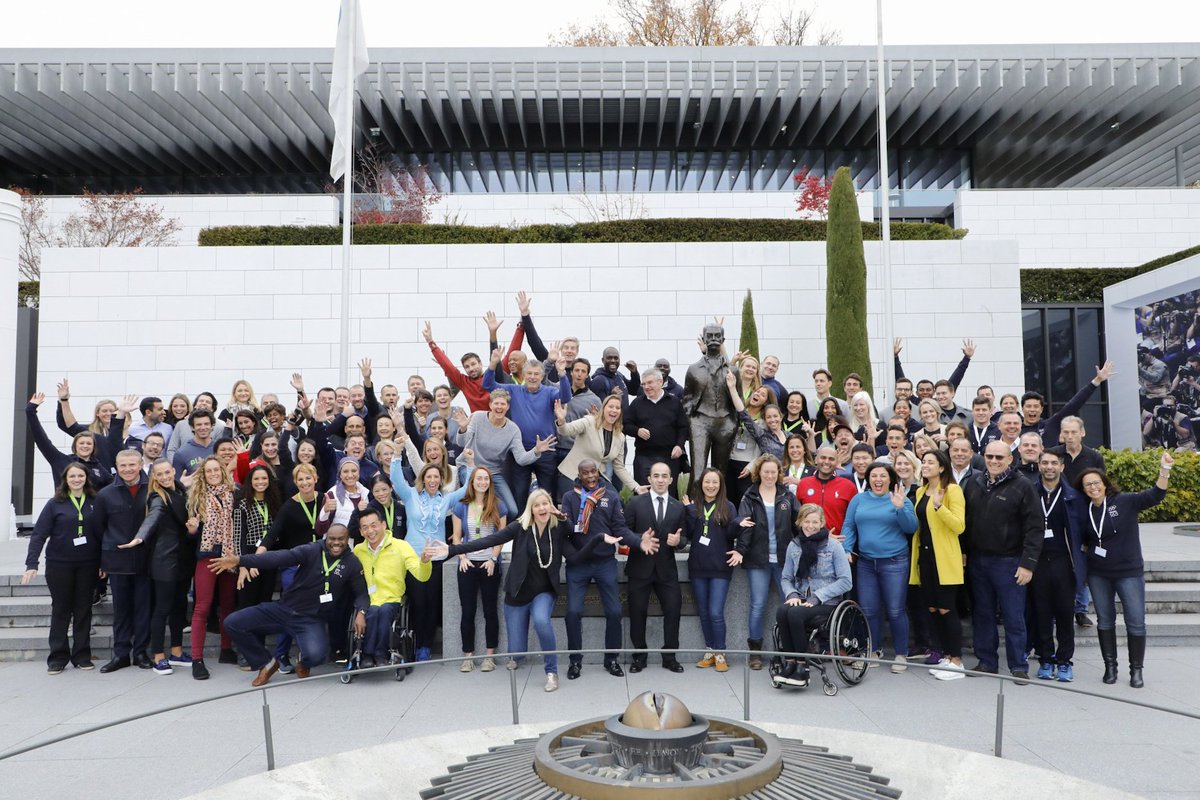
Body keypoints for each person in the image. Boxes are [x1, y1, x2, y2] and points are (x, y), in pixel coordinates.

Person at [431, 489, 572, 693]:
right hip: (517, 593)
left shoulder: (556, 528)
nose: (542, 508)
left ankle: (551, 672)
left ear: (551, 506)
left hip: (544, 591)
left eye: (545, 503)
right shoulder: (520, 527)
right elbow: (491, 540)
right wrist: (453, 549)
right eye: (537, 504)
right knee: (515, 651)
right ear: (531, 509)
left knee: (542, 620)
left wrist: (563, 517)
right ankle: (517, 656)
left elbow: (572, 531)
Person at [214, 524, 371, 686]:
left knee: (318, 655)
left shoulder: (352, 563)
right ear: (326, 538)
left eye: (341, 539)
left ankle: (304, 662)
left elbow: (361, 593)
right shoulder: (312, 550)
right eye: (332, 539)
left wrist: (362, 612)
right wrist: (241, 560)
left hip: (311, 619)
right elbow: (278, 557)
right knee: (232, 623)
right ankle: (266, 663)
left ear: (348, 540)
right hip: (284, 610)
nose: (336, 543)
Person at [1078, 453, 1173, 688]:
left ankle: (1136, 670)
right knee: (1105, 621)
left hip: (1128, 572)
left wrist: (1164, 469)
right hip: (1098, 573)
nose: (1092, 487)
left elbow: (1156, 495)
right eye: (1087, 484)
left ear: (1105, 483)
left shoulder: (1125, 501)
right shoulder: (1084, 510)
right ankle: (1110, 667)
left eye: (1096, 483)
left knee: (1136, 621)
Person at [962, 441, 1043, 681]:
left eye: (999, 457)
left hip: (1010, 562)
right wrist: (965, 551)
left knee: (1013, 616)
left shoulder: (1023, 486)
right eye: (989, 456)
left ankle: (1018, 665)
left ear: (1010, 459)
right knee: (983, 614)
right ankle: (986, 661)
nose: (994, 461)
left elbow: (1035, 528)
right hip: (979, 561)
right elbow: (967, 521)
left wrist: (1027, 564)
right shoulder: (975, 483)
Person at [559, 460, 636, 679]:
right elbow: (567, 531)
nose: (591, 476)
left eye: (594, 471)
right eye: (586, 473)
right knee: (573, 612)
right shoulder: (569, 497)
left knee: (614, 612)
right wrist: (563, 520)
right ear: (579, 474)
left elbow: (620, 527)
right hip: (578, 564)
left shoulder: (611, 496)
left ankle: (611, 659)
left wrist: (637, 541)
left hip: (605, 563)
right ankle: (575, 662)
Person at [23, 464, 103, 674]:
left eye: (80, 475)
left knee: (83, 609)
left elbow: (102, 534)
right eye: (72, 476)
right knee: (61, 610)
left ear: (86, 478)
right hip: (60, 565)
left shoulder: (95, 502)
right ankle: (57, 658)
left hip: (88, 564)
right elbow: (39, 534)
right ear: (65, 479)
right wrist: (32, 563)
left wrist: (104, 562)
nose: (77, 479)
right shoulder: (54, 504)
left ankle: (82, 656)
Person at [842, 463, 918, 673]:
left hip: (894, 562)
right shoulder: (859, 499)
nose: (878, 479)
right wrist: (846, 548)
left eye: (882, 476)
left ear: (890, 479)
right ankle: (873, 651)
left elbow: (911, 527)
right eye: (873, 475)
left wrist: (900, 507)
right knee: (869, 610)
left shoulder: (900, 498)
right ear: (868, 478)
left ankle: (901, 654)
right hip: (866, 562)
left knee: (895, 610)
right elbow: (849, 525)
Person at [390, 462, 469, 661]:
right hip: (414, 558)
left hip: (437, 558)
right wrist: (397, 456)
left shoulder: (447, 499)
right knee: (418, 603)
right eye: (429, 477)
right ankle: (413, 643)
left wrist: (469, 465)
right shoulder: (411, 495)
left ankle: (425, 645)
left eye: (436, 477)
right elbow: (397, 480)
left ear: (441, 480)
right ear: (423, 479)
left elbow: (467, 489)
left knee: (432, 603)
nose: (433, 480)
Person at [120, 460, 193, 675]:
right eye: (159, 474)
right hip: (164, 562)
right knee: (162, 609)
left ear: (173, 472)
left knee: (179, 608)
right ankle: (159, 656)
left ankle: (177, 653)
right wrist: (139, 538)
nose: (164, 477)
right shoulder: (157, 497)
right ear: (154, 477)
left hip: (183, 560)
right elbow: (153, 517)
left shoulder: (180, 490)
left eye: (167, 472)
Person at [736, 455, 803, 669]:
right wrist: (740, 551)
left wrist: (817, 540)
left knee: (790, 605)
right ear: (759, 472)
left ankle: (789, 650)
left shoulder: (786, 495)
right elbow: (745, 527)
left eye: (774, 471)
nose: (770, 475)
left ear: (779, 473)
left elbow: (800, 522)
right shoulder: (750, 495)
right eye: (766, 471)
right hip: (758, 560)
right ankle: (755, 651)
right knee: (758, 605)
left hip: (784, 560)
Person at [483, 348, 570, 511]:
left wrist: (562, 374)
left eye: (536, 374)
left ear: (542, 376)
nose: (532, 377)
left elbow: (565, 397)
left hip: (546, 450)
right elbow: (488, 385)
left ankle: (548, 530)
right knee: (520, 493)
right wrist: (493, 364)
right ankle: (520, 531)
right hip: (519, 450)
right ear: (523, 374)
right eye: (529, 373)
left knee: (547, 494)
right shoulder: (513, 390)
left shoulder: (550, 392)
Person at [775, 504, 853, 685]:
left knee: (795, 613)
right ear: (800, 522)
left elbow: (846, 581)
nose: (810, 526)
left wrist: (818, 596)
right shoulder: (793, 546)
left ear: (822, 523)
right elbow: (786, 578)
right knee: (782, 611)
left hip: (828, 602)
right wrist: (792, 594)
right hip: (802, 597)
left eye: (815, 522)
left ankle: (803, 668)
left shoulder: (833, 546)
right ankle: (790, 663)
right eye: (807, 521)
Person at [1028, 450, 1087, 683]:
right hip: (1037, 561)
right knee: (1041, 613)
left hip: (1064, 562)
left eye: (1054, 463)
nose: (1049, 467)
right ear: (1039, 466)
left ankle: (1064, 661)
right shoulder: (1030, 492)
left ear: (1062, 467)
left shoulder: (1073, 495)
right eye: (1045, 463)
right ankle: (1045, 659)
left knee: (1064, 614)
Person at [258, 463, 323, 674]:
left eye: (308, 478)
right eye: (300, 479)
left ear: (316, 478)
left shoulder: (325, 500)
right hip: (294, 565)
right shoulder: (289, 506)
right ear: (295, 483)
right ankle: (281, 654)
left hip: (318, 564)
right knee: (291, 607)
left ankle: (307, 653)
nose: (305, 483)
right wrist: (258, 554)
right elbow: (273, 532)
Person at [623, 462, 687, 673]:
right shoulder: (634, 503)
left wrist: (677, 542)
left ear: (670, 479)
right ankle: (639, 656)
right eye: (656, 475)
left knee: (673, 610)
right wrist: (638, 539)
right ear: (649, 479)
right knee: (637, 612)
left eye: (664, 476)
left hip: (666, 571)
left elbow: (684, 537)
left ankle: (670, 657)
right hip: (639, 568)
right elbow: (624, 531)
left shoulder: (678, 507)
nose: (660, 479)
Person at [909, 451, 967, 680]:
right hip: (924, 557)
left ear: (942, 467)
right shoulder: (921, 491)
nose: (925, 466)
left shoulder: (952, 490)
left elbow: (959, 525)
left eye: (930, 462)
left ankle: (957, 660)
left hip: (945, 559)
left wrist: (939, 507)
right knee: (932, 608)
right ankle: (945, 655)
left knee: (946, 609)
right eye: (923, 462)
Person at [455, 388, 555, 519]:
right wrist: (463, 428)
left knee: (511, 510)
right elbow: (462, 442)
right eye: (496, 403)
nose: (499, 407)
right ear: (490, 405)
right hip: (469, 467)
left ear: (507, 407)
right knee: (480, 503)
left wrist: (536, 451)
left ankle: (498, 534)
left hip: (493, 472)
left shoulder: (513, 429)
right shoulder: (477, 417)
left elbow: (521, 458)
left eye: (503, 404)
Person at [94, 450, 152, 673]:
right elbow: (99, 529)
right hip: (117, 561)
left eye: (132, 464)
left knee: (143, 609)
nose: (127, 469)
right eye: (123, 465)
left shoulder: (152, 490)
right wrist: (102, 561)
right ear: (116, 466)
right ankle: (121, 654)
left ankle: (140, 653)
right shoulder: (105, 494)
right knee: (121, 610)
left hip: (145, 560)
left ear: (141, 464)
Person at [352, 507, 431, 667]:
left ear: (383, 525)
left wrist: (424, 562)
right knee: (373, 611)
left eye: (374, 525)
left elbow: (421, 575)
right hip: (369, 601)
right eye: (365, 527)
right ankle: (367, 655)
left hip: (393, 598)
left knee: (385, 610)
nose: (370, 531)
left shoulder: (401, 546)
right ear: (360, 532)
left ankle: (380, 655)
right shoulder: (358, 551)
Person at [186, 456, 239, 679]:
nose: (214, 473)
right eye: (209, 471)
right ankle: (197, 659)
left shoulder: (235, 493)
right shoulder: (197, 498)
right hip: (207, 555)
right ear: (203, 475)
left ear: (223, 471)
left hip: (229, 555)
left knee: (228, 604)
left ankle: (226, 650)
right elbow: (192, 533)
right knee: (202, 607)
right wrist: (192, 530)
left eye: (217, 469)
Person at [451, 467, 506, 673]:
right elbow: (457, 536)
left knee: (490, 611)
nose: (482, 482)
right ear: (472, 482)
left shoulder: (499, 505)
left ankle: (489, 657)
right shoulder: (461, 506)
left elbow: (502, 535)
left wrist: (493, 558)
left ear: (489, 482)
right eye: (478, 478)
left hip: (489, 564)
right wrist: (462, 556)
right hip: (467, 564)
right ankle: (468, 656)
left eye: (485, 478)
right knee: (468, 611)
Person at [26, 392, 113, 490]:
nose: (85, 446)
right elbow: (42, 440)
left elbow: (116, 485)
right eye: (81, 443)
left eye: (89, 443)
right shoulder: (62, 461)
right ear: (75, 445)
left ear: (94, 447)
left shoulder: (98, 467)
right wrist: (30, 411)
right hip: (64, 504)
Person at [555, 394, 639, 493]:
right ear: (603, 408)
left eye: (617, 408)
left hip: (596, 479)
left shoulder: (620, 437)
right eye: (611, 406)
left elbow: (619, 467)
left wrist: (636, 487)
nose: (614, 410)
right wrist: (561, 421)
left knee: (616, 500)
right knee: (579, 504)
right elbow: (566, 430)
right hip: (573, 474)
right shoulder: (589, 422)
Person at [624, 370, 688, 497]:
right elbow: (625, 425)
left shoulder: (674, 402)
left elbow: (683, 427)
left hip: (670, 457)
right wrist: (637, 431)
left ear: (660, 382)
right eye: (643, 384)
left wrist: (679, 446)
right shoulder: (637, 403)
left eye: (649, 383)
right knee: (644, 497)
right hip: (644, 458)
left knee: (669, 496)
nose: (646, 387)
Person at [795, 445, 858, 540]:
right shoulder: (803, 484)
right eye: (823, 458)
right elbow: (798, 518)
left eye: (831, 459)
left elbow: (853, 521)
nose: (827, 462)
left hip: (838, 543)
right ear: (816, 459)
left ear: (837, 462)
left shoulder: (848, 486)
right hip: (808, 542)